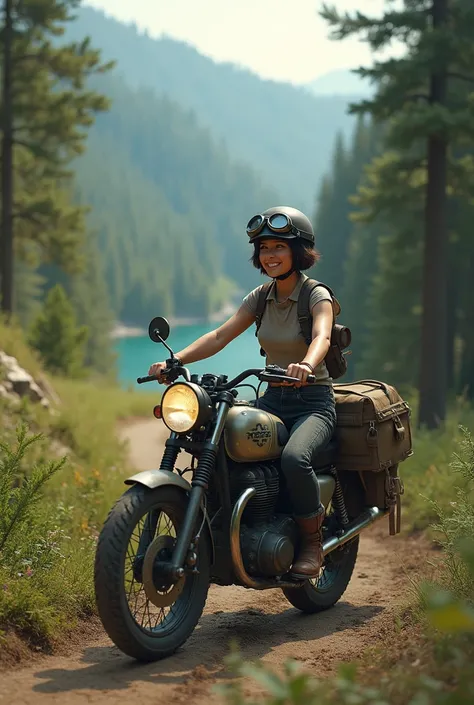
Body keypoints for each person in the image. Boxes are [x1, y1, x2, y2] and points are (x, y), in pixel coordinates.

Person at [148, 206, 336, 579]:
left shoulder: (316, 294)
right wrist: (176, 360)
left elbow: (322, 335)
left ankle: (312, 545)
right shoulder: (260, 298)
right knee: (224, 443)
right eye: (264, 248)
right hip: (273, 399)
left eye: (279, 247)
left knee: (295, 458)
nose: (270, 255)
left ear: (298, 252)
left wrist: (307, 365)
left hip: (312, 401)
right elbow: (220, 335)